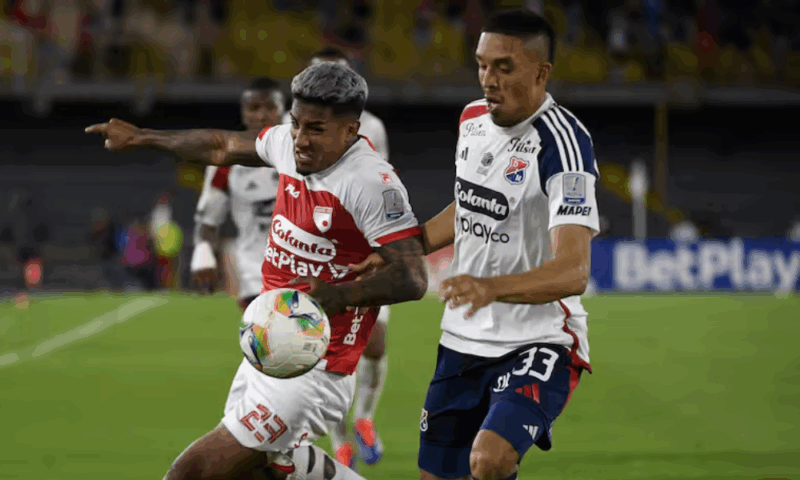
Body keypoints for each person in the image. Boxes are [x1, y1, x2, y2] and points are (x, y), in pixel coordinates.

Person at [86, 62, 428, 480]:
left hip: (317, 366)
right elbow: (221, 146)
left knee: (191, 473)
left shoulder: (371, 182)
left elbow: (413, 277)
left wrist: (341, 295)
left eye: (316, 129)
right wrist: (143, 137)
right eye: (296, 123)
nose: (300, 139)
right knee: (262, 473)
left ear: (350, 130)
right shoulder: (288, 145)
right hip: (269, 346)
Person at [351, 9, 600, 480]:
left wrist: (491, 287)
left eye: (504, 67)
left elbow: (574, 270)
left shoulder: (563, 144)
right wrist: (406, 247)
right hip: (463, 337)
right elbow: (468, 205)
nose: (489, 79)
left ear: (541, 73)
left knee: (489, 459)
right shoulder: (471, 119)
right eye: (482, 65)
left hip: (539, 338)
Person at [284, 46, 392, 469]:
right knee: (324, 353)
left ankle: (365, 417)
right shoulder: (293, 128)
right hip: (316, 251)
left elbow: (381, 181)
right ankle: (341, 439)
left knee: (375, 344)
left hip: (362, 246)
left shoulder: (373, 127)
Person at [191, 77, 285, 311]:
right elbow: (208, 220)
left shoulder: (309, 153)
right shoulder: (226, 161)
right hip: (255, 276)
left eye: (270, 107)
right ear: (243, 113)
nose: (261, 115)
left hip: (307, 274)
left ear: (283, 110)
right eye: (254, 108)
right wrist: (204, 254)